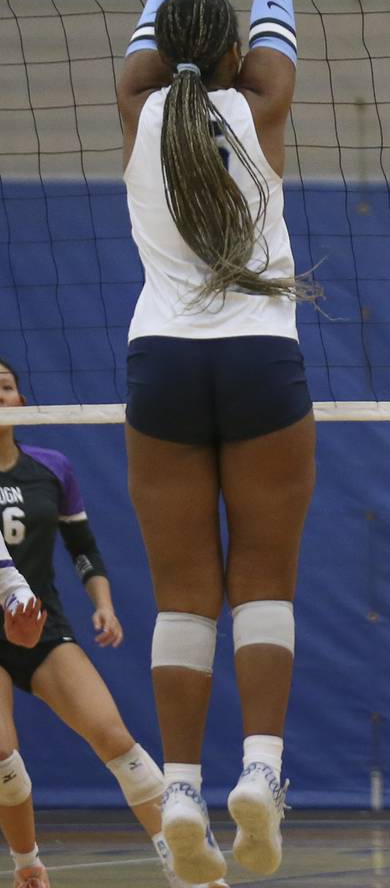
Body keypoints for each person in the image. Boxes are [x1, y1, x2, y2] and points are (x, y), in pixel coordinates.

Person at [114, 0, 334, 885]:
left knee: (183, 592)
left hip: (161, 366)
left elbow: (167, 6)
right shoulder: (266, 101)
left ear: (160, 53)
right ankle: (261, 771)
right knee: (266, 582)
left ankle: (186, 788)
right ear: (240, 50)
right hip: (261, 362)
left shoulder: (139, 101)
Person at [0, 360, 223, 888]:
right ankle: (28, 864)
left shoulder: (51, 468)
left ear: (24, 402)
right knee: (2, 755)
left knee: (115, 738)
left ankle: (185, 865)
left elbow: (83, 550)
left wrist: (102, 603)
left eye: (5, 387)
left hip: (41, 625)